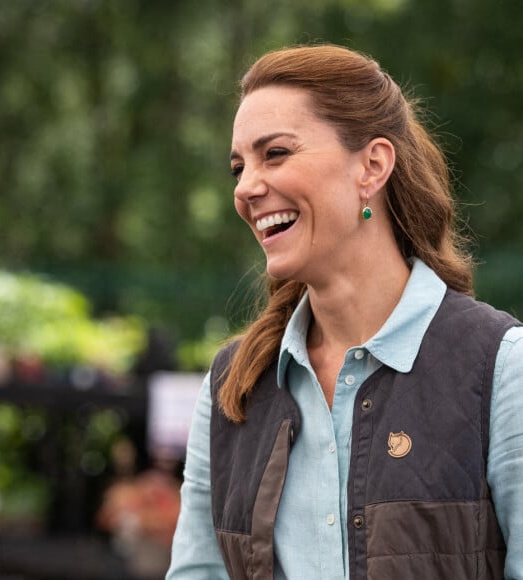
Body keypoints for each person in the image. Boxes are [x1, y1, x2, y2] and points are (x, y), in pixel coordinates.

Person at [166, 44, 523, 579]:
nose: (245, 188)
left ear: (372, 166)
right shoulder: (232, 390)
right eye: (238, 167)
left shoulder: (501, 370)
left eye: (276, 154)